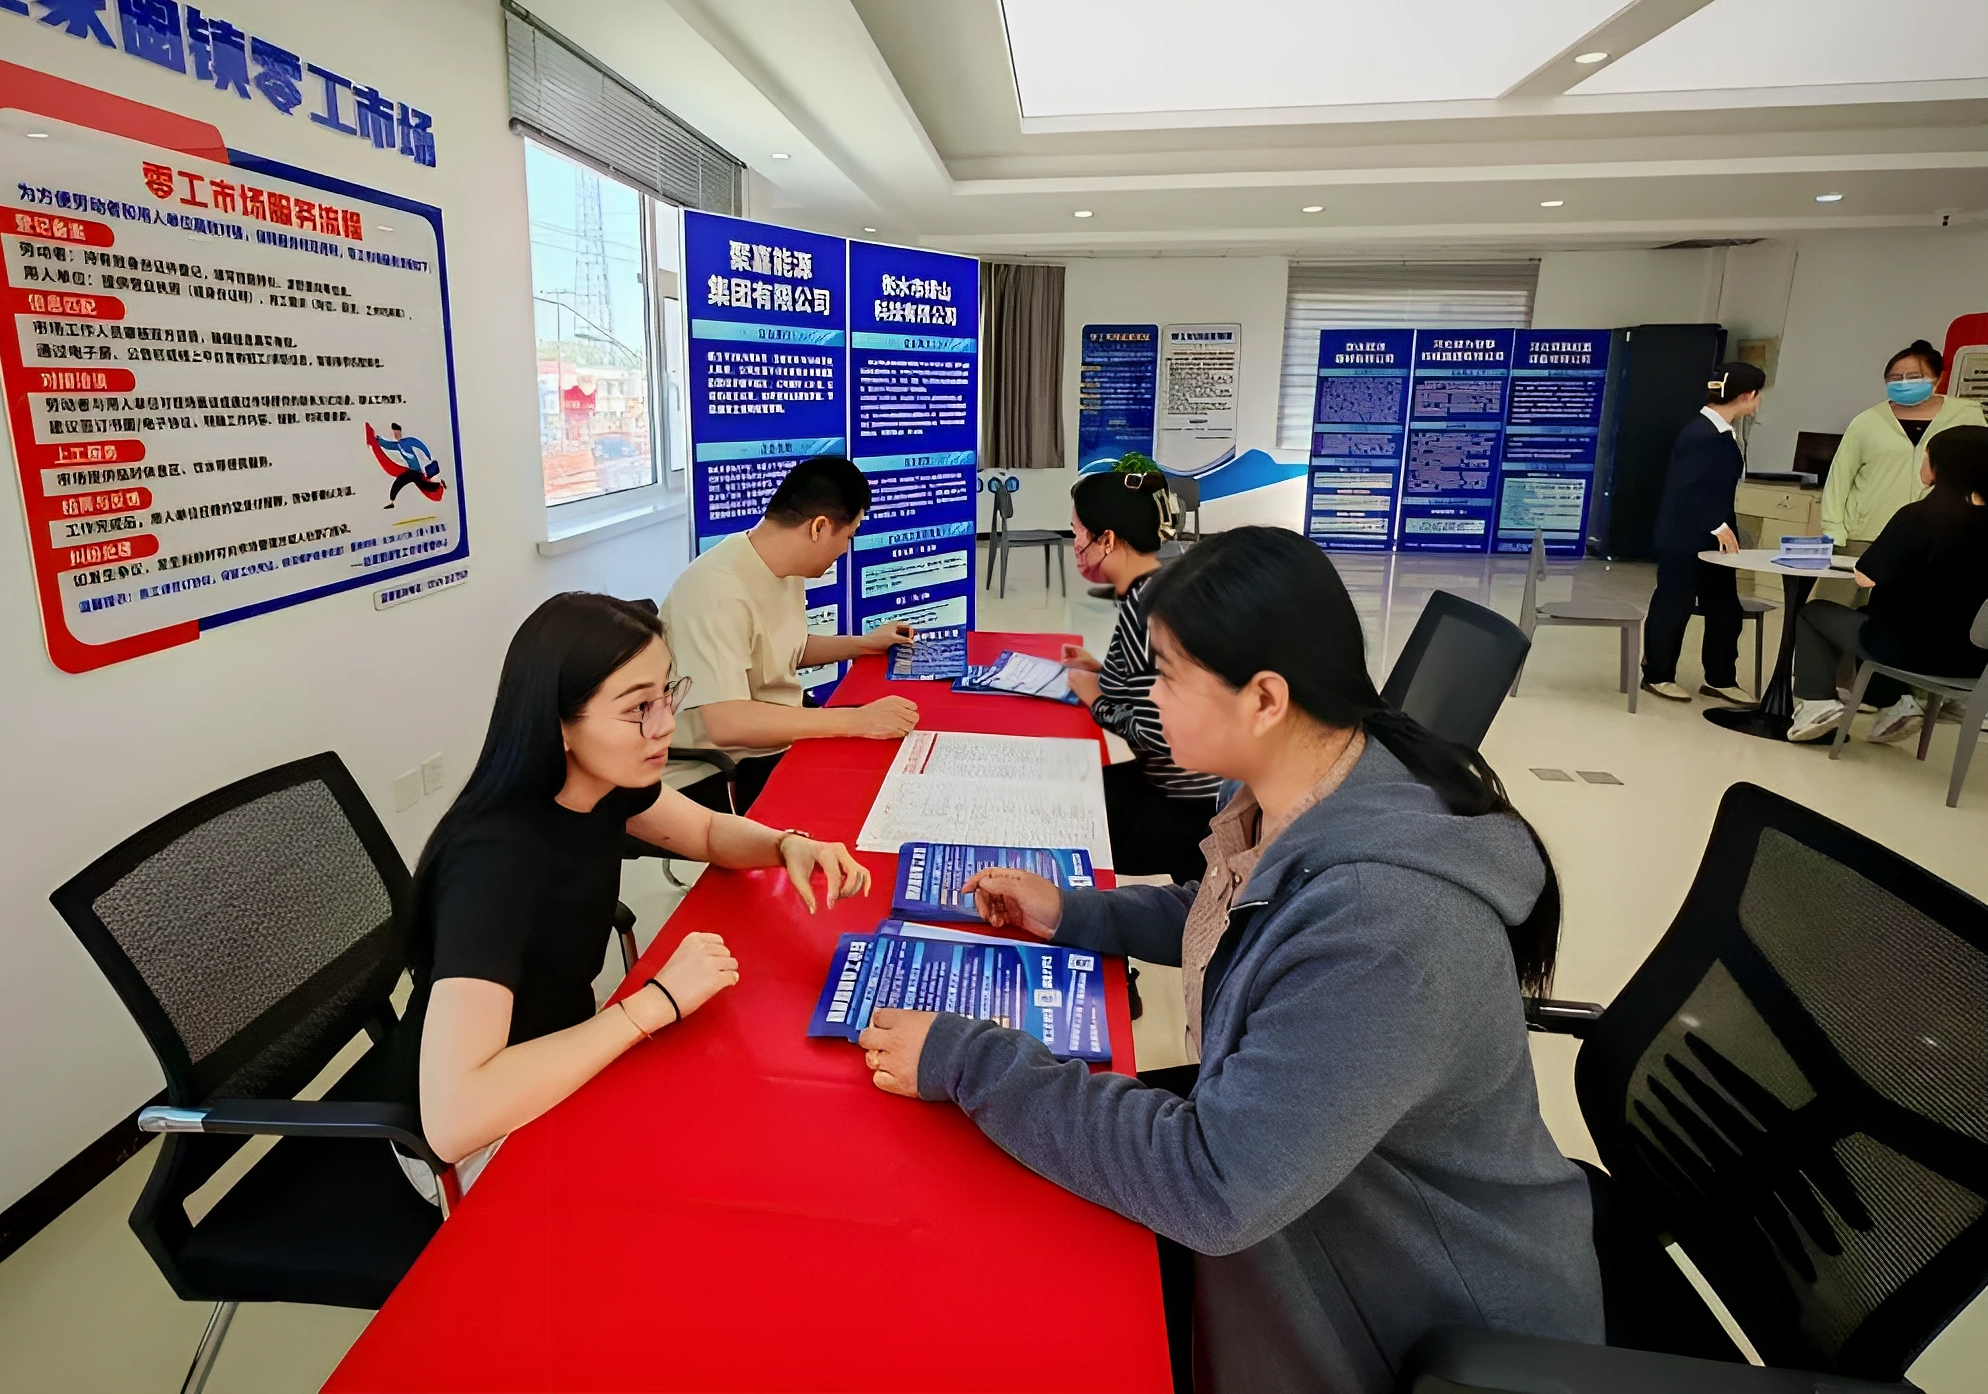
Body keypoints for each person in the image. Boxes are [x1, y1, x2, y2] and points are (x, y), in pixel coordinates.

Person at [857, 527, 1602, 1394]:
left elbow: (1213, 1185)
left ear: (1265, 699)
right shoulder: (1306, 790)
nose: (1149, 696)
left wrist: (971, 1060)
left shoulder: (1386, 927)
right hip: (1308, 1199)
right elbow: (1245, 918)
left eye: (1169, 675)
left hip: (1404, 1311)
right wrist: (1076, 912)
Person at [394, 592, 871, 1193]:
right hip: (476, 1137)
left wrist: (786, 845)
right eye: (639, 708)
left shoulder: (599, 784)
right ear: (559, 724)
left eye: (666, 694)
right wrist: (656, 1001)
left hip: (564, 1056)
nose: (665, 724)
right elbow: (454, 1120)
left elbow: (706, 832)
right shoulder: (495, 861)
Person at [662, 457, 920, 810]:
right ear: (819, 528)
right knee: (862, 795)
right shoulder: (716, 590)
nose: (845, 550)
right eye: (848, 536)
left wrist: (863, 644)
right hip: (722, 765)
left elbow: (780, 649)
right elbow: (727, 724)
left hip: (775, 732)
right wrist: (858, 720)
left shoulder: (776, 565)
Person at [1059, 463, 1222, 882]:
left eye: (1077, 532)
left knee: (1061, 814)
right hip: (1198, 788)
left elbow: (1154, 732)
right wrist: (1100, 671)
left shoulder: (1147, 607)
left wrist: (1095, 698)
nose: (1074, 544)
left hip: (1188, 805)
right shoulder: (1160, 586)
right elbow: (1152, 683)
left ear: (1107, 540)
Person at [1787, 425, 1988, 744]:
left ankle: (1817, 703)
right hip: (1973, 660)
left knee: (1814, 613)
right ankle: (1897, 705)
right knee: (1869, 618)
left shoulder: (1921, 516)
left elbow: (1866, 576)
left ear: (1942, 465)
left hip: (1909, 648)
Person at [1817, 341, 1986, 608]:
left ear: (1937, 378)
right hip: (1865, 534)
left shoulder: (1966, 416)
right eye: (1896, 378)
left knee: (1912, 608)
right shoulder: (1867, 421)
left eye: (1914, 376)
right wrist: (1833, 530)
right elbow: (1839, 478)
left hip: (1937, 535)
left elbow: (1978, 470)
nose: (1904, 383)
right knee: (1838, 605)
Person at [1641, 361, 1764, 703]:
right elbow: (1688, 490)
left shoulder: (1720, 432)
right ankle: (1658, 674)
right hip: (1685, 537)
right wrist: (1718, 525)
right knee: (1673, 606)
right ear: (1747, 395)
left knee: (1726, 608)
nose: (1759, 403)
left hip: (1714, 539)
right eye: (1758, 396)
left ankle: (1721, 678)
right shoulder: (1702, 435)